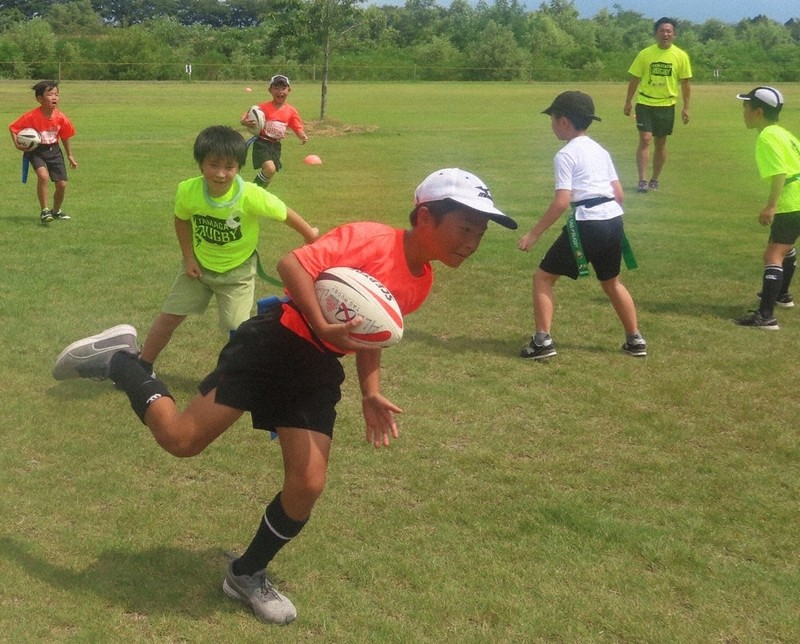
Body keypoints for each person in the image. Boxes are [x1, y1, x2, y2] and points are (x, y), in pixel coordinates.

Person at [52, 167, 517, 625]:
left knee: (308, 484)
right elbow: (291, 264)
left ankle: (245, 573)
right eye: (466, 228)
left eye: (480, 233)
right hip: (274, 342)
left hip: (314, 368)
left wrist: (370, 392)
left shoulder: (421, 283)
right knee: (180, 440)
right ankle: (121, 362)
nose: (472, 243)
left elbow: (367, 338)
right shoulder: (371, 238)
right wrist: (319, 321)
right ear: (425, 217)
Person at [138, 125, 319, 373]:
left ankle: (239, 378)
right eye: (213, 165)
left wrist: (310, 235)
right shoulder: (188, 190)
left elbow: (283, 213)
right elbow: (181, 220)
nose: (221, 174)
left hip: (238, 273)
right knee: (170, 316)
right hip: (198, 269)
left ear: (238, 168)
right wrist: (188, 257)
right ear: (201, 164)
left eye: (229, 167)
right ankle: (143, 364)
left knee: (238, 329)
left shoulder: (250, 195)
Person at [518, 91, 646, 359]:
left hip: (588, 222)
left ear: (564, 121)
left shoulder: (565, 155)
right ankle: (635, 340)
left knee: (543, 278)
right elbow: (619, 194)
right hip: (613, 220)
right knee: (612, 282)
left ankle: (542, 341)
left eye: (552, 119)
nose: (551, 125)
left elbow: (562, 202)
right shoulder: (601, 150)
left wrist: (533, 234)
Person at [734, 86, 800, 330]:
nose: (743, 112)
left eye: (746, 107)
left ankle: (766, 317)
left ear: (758, 112)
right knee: (786, 247)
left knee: (773, 255)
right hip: (798, 199)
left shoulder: (767, 136)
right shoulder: (783, 133)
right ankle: (782, 295)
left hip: (792, 201)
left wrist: (771, 206)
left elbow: (780, 172)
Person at [623, 17, 692, 193]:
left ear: (674, 34)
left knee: (660, 143)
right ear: (656, 33)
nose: (665, 34)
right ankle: (642, 180)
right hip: (645, 103)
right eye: (662, 31)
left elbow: (685, 83)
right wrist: (628, 101)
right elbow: (635, 78)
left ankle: (655, 179)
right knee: (645, 139)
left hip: (667, 104)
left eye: (669, 31)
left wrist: (686, 107)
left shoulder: (681, 56)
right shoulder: (645, 54)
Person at [8, 80, 77, 225]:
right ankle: (45, 211)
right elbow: (13, 128)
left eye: (56, 94)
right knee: (43, 176)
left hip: (54, 150)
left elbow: (64, 136)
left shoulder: (61, 117)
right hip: (36, 151)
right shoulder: (31, 116)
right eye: (50, 94)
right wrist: (18, 145)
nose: (54, 97)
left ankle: (56, 211)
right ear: (39, 99)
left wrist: (70, 154)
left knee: (62, 184)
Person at [240, 74, 308, 188]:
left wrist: (302, 135)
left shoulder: (291, 111)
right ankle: (253, 191)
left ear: (289, 90)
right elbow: (247, 115)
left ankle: (260, 193)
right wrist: (244, 121)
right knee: (269, 169)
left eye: (283, 88)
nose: (280, 91)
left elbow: (297, 126)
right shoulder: (263, 107)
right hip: (262, 143)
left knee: (270, 174)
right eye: (276, 88)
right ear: (270, 90)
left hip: (276, 145)